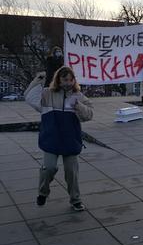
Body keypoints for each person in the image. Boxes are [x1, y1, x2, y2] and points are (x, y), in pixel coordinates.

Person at [24, 67, 93, 211]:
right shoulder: (48, 94)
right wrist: (39, 79)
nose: (68, 82)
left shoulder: (78, 96)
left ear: (74, 80)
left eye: (70, 79)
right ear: (58, 80)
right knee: (49, 168)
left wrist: (78, 106)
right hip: (51, 138)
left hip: (70, 139)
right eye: (64, 79)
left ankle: (75, 200)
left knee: (71, 172)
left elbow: (89, 115)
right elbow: (29, 97)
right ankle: (43, 193)